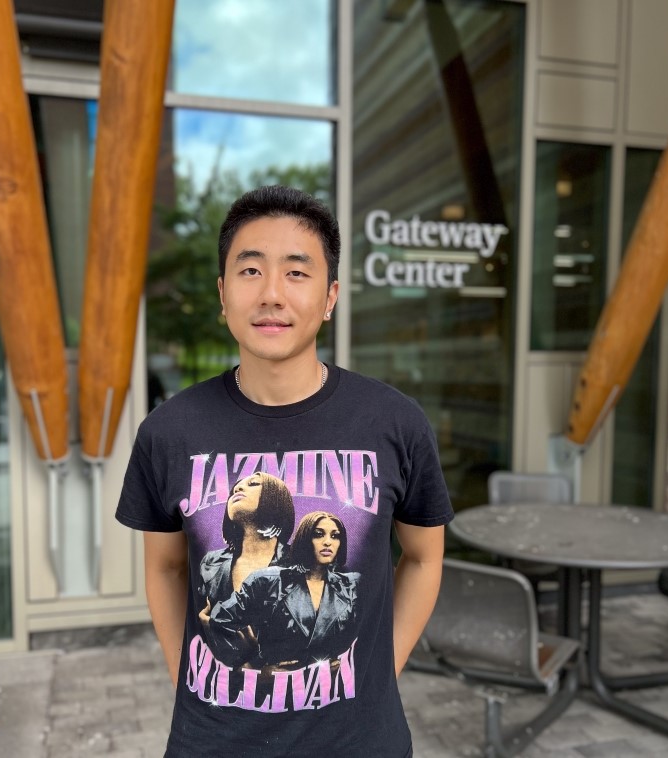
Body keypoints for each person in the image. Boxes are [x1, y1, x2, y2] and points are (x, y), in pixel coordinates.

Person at [116, 184, 453, 757]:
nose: (271, 293)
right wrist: (189, 680)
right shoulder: (170, 431)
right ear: (223, 295)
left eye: (297, 273)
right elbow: (166, 571)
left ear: (330, 296)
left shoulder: (394, 423)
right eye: (250, 271)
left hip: (360, 742)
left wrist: (377, 674)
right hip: (212, 743)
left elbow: (423, 558)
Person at [202, 510, 359, 670]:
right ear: (305, 538)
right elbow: (220, 620)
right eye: (318, 534)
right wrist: (250, 663)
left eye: (335, 536)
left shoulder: (353, 585)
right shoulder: (267, 581)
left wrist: (348, 661)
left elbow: (370, 634)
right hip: (276, 686)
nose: (328, 542)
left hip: (331, 687)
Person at [197, 470, 294, 613]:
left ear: (277, 498)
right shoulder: (210, 562)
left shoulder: (299, 561)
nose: (237, 489)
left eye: (253, 484)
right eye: (233, 491)